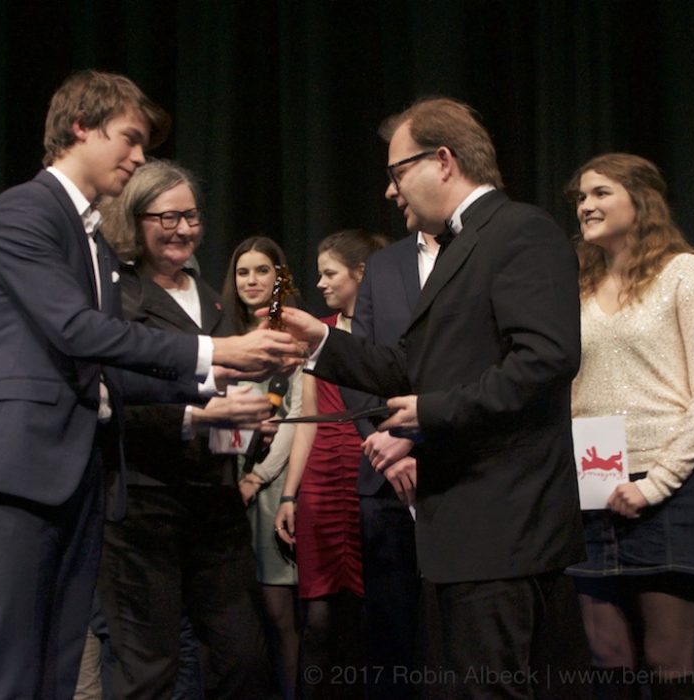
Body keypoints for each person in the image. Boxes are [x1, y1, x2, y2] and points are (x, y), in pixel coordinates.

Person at [0, 71, 299, 699]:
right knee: (11, 668)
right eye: (131, 139)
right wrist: (213, 348)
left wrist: (213, 377)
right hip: (19, 468)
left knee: (57, 663)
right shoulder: (25, 210)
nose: (139, 158)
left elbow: (110, 367)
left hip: (81, 474)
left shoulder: (96, 244)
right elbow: (76, 331)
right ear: (82, 127)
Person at [269, 98, 585, 699]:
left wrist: (432, 412)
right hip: (465, 528)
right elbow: (411, 367)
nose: (390, 193)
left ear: (444, 160)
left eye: (396, 173)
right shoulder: (457, 247)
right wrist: (321, 344)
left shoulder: (519, 230)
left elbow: (546, 359)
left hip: (505, 528)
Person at [95, 159, 277, 698]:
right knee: (148, 667)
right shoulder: (119, 300)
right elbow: (110, 398)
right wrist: (197, 417)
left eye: (192, 216)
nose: (182, 229)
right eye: (167, 217)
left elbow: (229, 385)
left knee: (243, 655)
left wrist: (251, 420)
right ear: (136, 219)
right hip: (145, 505)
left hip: (215, 501)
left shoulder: (215, 299)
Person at [565, 153, 694, 699]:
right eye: (581, 197)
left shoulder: (684, 272)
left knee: (669, 660)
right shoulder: (581, 285)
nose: (586, 206)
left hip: (669, 485)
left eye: (600, 193)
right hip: (595, 480)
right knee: (607, 657)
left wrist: (656, 483)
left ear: (641, 199)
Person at [275, 229, 387, 698]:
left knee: (371, 616)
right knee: (318, 617)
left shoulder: (386, 334)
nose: (319, 282)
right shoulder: (316, 331)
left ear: (360, 273)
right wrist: (288, 493)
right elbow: (307, 420)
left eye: (329, 272)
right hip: (322, 482)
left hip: (371, 476)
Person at [335, 228, 435, 699]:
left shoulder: (477, 258)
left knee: (448, 626)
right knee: (389, 628)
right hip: (381, 480)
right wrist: (384, 444)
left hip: (450, 471)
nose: (393, 191)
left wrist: (414, 441)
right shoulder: (385, 267)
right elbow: (358, 369)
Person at [222, 235, 304, 699]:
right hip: (227, 483)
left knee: (279, 614)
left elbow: (296, 417)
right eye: (242, 272)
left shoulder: (294, 336)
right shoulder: (225, 335)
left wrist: (259, 477)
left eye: (262, 271)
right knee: (237, 616)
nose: (251, 280)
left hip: (269, 487)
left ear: (280, 277)